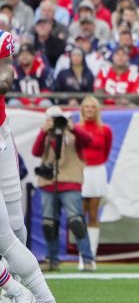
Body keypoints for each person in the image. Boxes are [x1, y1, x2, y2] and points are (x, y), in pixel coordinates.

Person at [0, 30, 57, 302]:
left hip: (0, 136)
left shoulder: (2, 40)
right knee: (4, 238)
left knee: (14, 227)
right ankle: (18, 291)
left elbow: (5, 79)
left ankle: (27, 292)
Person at [32, 106, 96, 272]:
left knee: (76, 221)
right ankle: (51, 260)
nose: (55, 123)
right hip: (48, 182)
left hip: (70, 181)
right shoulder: (46, 135)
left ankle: (88, 260)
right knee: (49, 223)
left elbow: (89, 141)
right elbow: (36, 152)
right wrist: (43, 131)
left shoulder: (73, 134)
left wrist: (72, 127)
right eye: (52, 119)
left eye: (57, 119)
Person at [76, 96, 112, 262]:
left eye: (93, 107)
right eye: (87, 106)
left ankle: (92, 255)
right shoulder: (76, 128)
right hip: (81, 171)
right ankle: (83, 256)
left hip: (97, 172)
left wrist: (95, 165)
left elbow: (106, 153)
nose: (90, 109)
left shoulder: (105, 130)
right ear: (82, 109)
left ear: (97, 110)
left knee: (93, 214)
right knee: (79, 214)